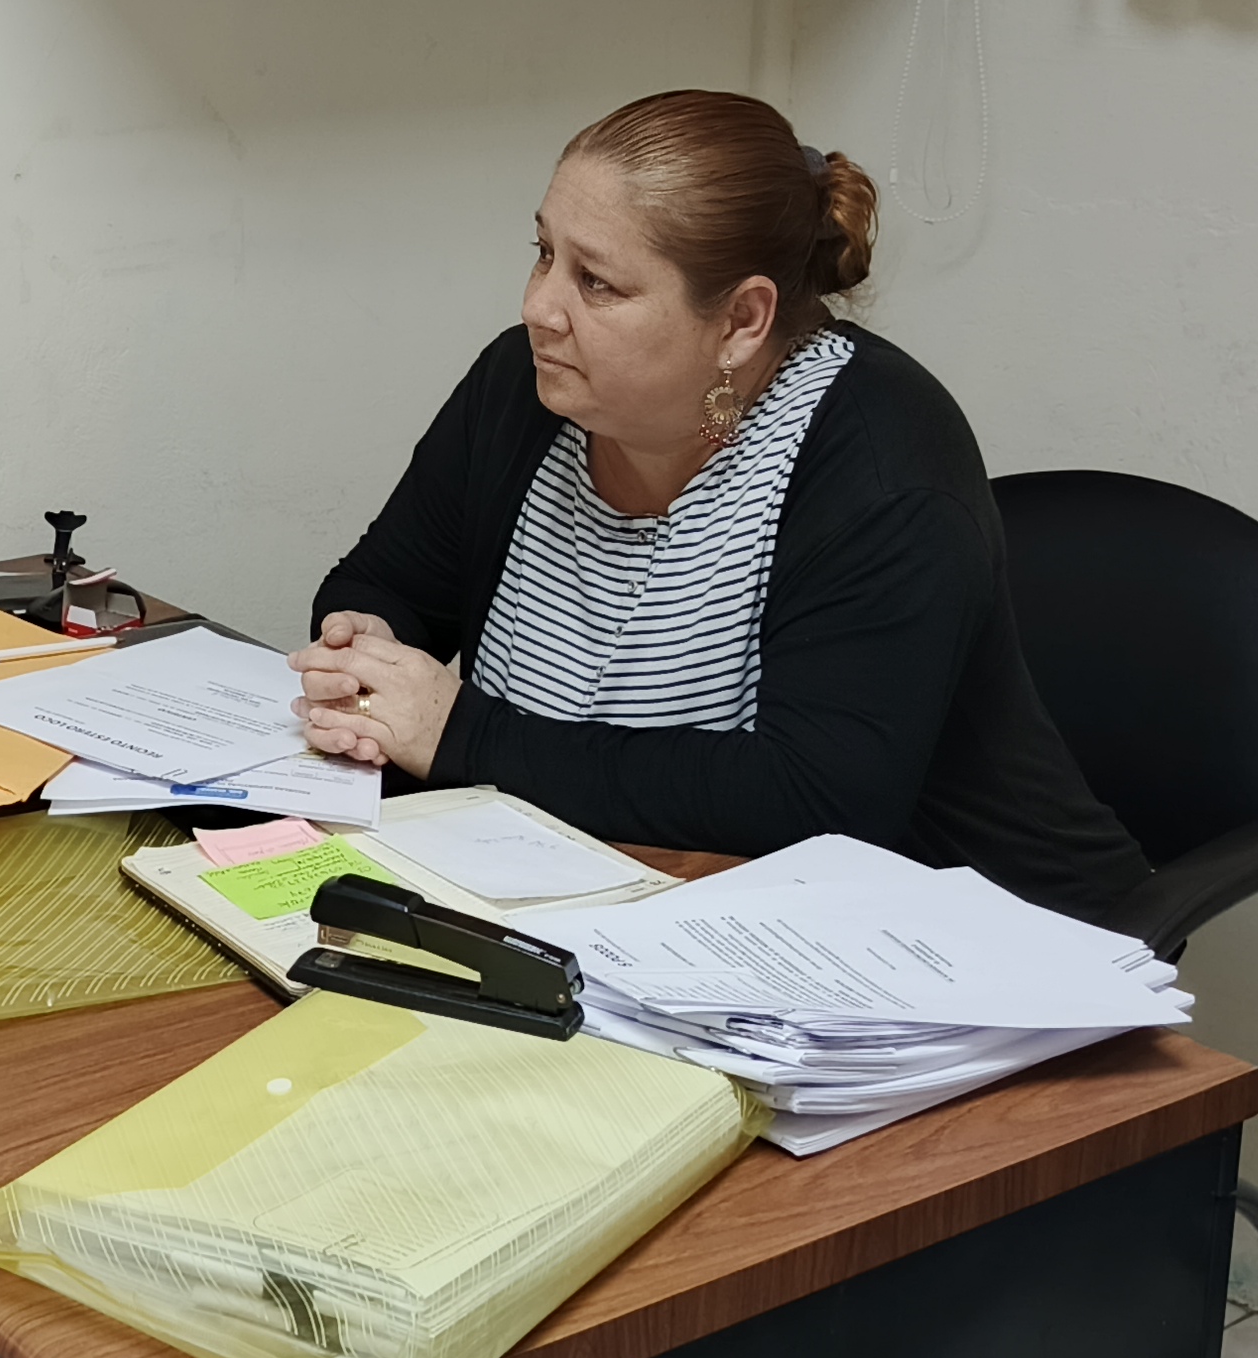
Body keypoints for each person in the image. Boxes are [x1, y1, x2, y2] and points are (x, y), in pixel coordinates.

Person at [294, 88, 1146, 918]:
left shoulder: (882, 461)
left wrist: (462, 736)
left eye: (597, 283)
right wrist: (362, 645)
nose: (539, 308)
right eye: (543, 252)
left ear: (741, 320)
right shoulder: (523, 388)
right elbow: (388, 582)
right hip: (612, 896)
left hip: (970, 939)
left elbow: (815, 798)